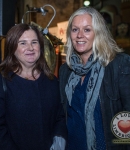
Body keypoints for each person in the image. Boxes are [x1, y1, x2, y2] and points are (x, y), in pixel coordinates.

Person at [0, 23, 67, 150]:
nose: (30, 48)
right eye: (23, 43)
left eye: (34, 42)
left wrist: (59, 140)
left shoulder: (51, 81)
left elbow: (60, 116)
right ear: (12, 48)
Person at [59, 6, 130, 150]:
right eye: (75, 29)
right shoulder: (65, 70)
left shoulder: (119, 64)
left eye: (87, 30)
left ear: (98, 33)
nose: (80, 35)